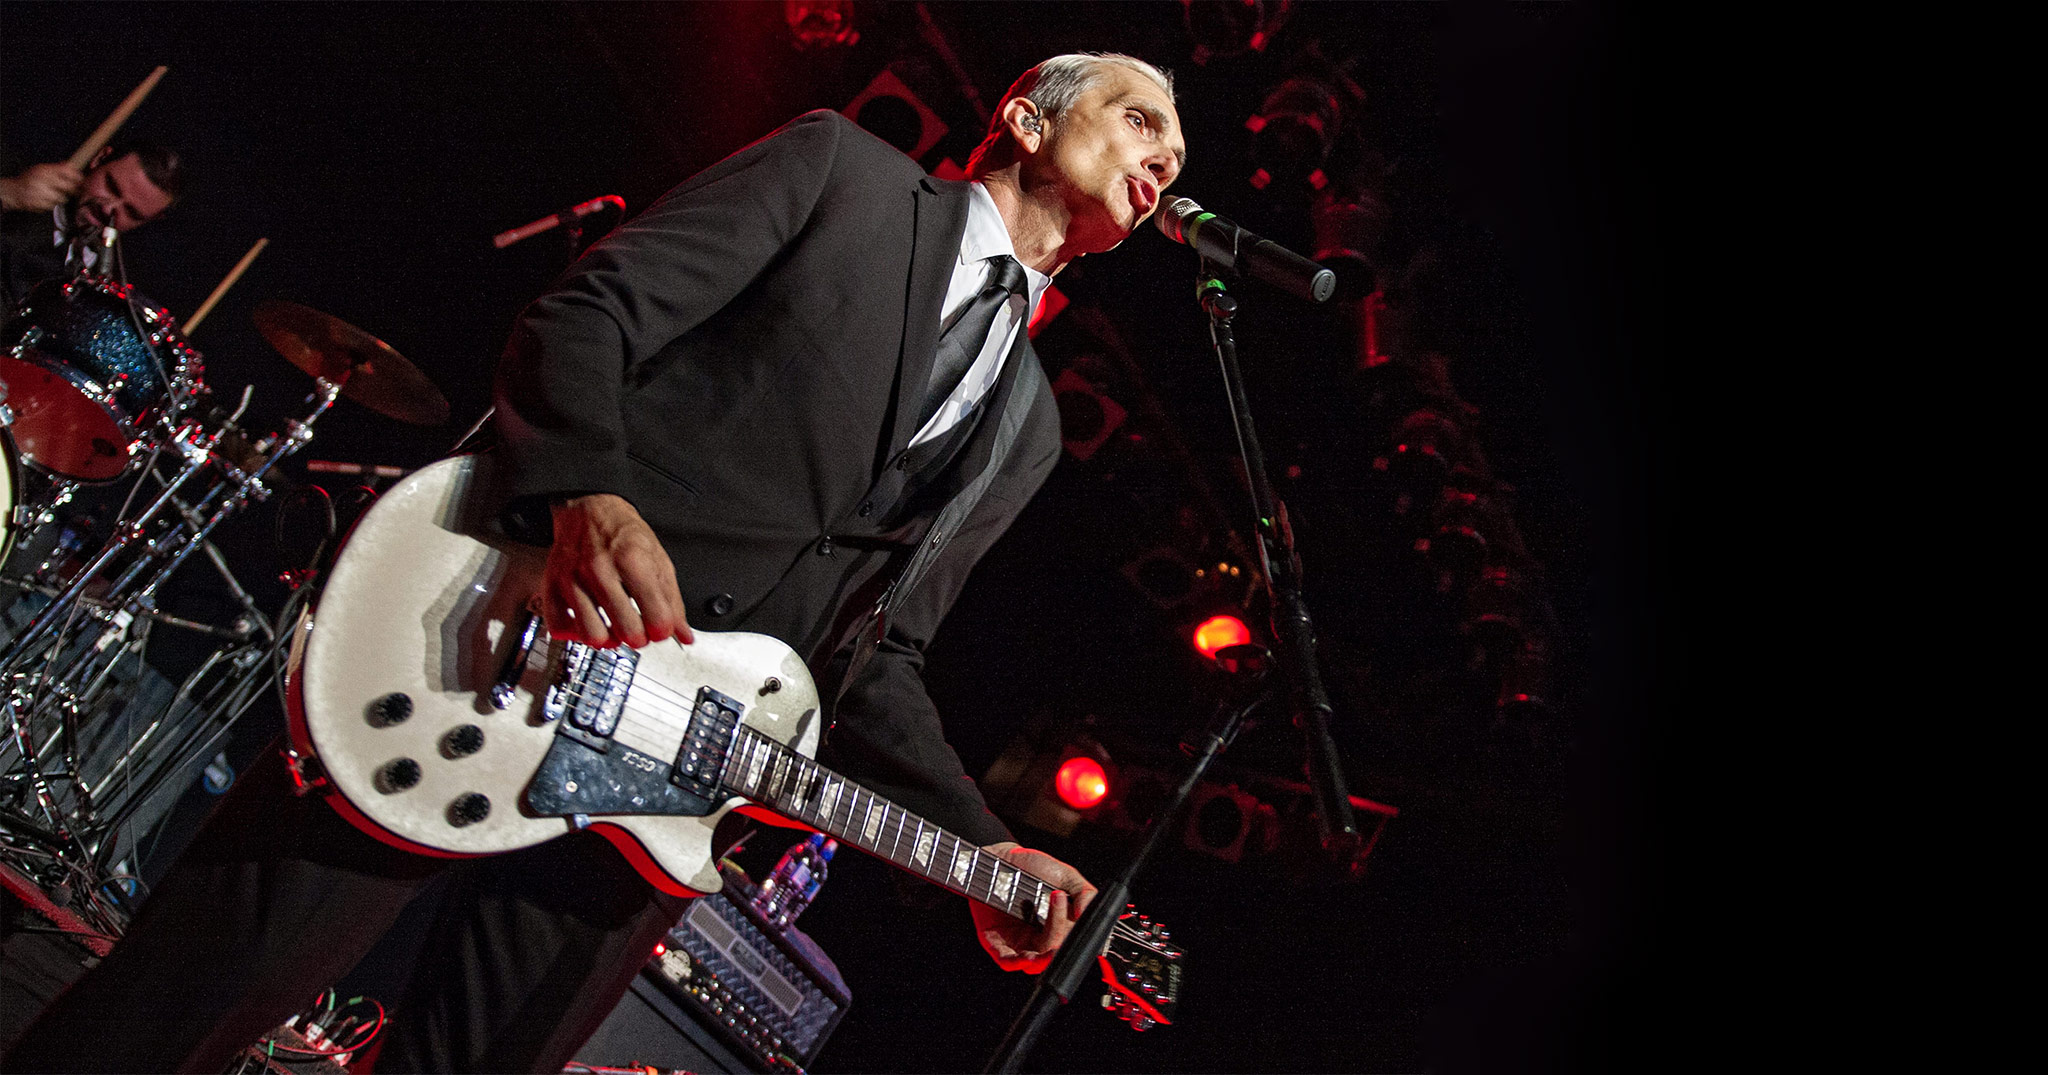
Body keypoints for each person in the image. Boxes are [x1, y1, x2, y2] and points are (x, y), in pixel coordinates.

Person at [5, 52, 1184, 1073]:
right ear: (1029, 116)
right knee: (187, 1000)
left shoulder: (1025, 424)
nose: (1164, 158)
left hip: (665, 794)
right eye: (1141, 119)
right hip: (497, 649)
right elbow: (589, 315)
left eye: (1175, 155)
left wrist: (979, 845)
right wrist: (578, 497)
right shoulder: (843, 174)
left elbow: (880, 657)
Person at [0, 138, 181, 306]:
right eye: (111, 187)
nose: (108, 209)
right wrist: (9, 193)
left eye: (131, 212)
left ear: (152, 219)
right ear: (100, 158)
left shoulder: (113, 286)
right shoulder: (13, 177)